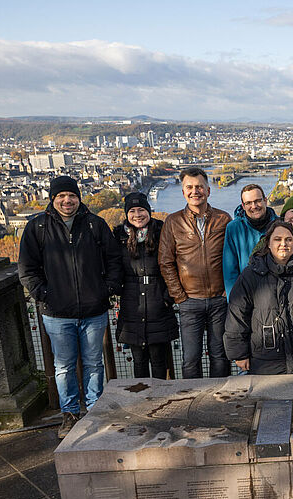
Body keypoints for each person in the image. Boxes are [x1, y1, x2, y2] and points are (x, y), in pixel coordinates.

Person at [18, 175, 122, 438]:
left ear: (78, 197)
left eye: (72, 196)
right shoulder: (37, 227)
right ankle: (70, 414)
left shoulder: (95, 225)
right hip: (56, 312)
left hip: (93, 309)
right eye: (61, 196)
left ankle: (95, 410)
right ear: (53, 199)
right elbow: (27, 268)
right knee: (64, 366)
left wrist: (106, 290)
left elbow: (113, 260)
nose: (67, 201)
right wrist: (44, 294)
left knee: (94, 364)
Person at [224, 221, 293, 430]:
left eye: (289, 239)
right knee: (270, 403)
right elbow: (237, 314)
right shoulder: (251, 275)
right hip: (266, 352)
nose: (284, 244)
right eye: (278, 239)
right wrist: (240, 353)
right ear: (268, 244)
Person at [159, 167, 232, 379]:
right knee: (191, 358)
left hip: (219, 299)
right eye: (189, 187)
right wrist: (180, 296)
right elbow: (165, 262)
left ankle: (218, 399)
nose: (195, 191)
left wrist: (228, 290)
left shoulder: (223, 219)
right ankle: (192, 400)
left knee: (220, 355)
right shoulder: (173, 222)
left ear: (209, 190)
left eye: (199, 186)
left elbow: (232, 256)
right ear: (183, 192)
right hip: (189, 301)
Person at [112, 192, 178, 380]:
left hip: (158, 303)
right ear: (126, 214)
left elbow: (175, 263)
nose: (137, 214)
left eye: (141, 209)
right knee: (138, 360)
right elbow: (112, 266)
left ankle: (159, 399)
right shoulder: (118, 237)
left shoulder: (162, 232)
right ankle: (141, 399)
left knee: (159, 359)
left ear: (148, 211)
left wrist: (168, 297)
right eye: (132, 211)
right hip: (132, 305)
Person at [222, 184, 278, 299]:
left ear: (265, 201)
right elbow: (230, 272)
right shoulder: (233, 228)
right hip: (247, 295)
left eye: (258, 201)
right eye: (248, 203)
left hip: (275, 294)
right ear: (243, 206)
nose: (254, 206)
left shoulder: (279, 225)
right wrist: (234, 302)